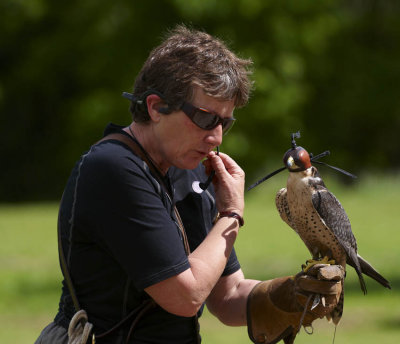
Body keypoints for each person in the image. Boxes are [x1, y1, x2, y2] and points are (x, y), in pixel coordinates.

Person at [35, 25, 343, 344]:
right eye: (206, 118)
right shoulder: (113, 168)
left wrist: (294, 294)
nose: (217, 136)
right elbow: (186, 297)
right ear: (155, 107)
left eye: (225, 122)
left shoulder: (191, 170)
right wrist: (232, 212)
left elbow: (228, 296)